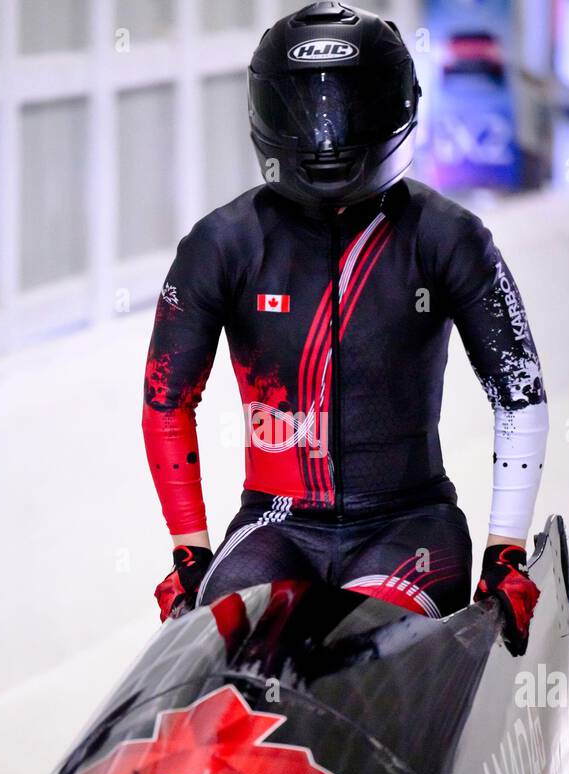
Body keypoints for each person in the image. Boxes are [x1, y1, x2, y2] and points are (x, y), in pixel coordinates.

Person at [142, 2, 548, 654]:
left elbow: (518, 392)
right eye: (307, 111)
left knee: (361, 654)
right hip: (273, 526)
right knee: (218, 650)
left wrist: (506, 549)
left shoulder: (449, 237)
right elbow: (167, 399)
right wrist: (191, 551)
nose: (327, 136)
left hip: (409, 524)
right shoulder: (220, 245)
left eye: (345, 110)